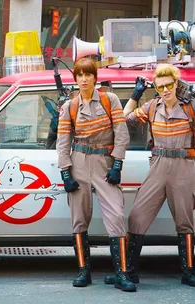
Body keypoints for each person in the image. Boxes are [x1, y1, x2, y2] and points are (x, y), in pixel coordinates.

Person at [105, 64, 195, 287]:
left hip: (184, 165)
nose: (165, 90)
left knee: (185, 221)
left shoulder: (190, 107)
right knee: (137, 215)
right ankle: (129, 271)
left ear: (176, 83)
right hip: (157, 165)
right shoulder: (153, 106)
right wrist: (135, 95)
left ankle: (189, 271)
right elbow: (123, 119)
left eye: (169, 85)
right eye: (160, 86)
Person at [56, 57, 136, 292]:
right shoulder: (69, 106)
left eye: (88, 74)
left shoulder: (109, 100)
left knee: (116, 215)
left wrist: (117, 164)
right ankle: (84, 271)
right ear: (76, 78)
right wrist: (65, 172)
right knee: (79, 217)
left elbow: (121, 134)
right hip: (79, 161)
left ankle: (121, 274)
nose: (83, 79)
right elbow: (63, 141)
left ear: (94, 77)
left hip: (104, 162)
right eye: (79, 75)